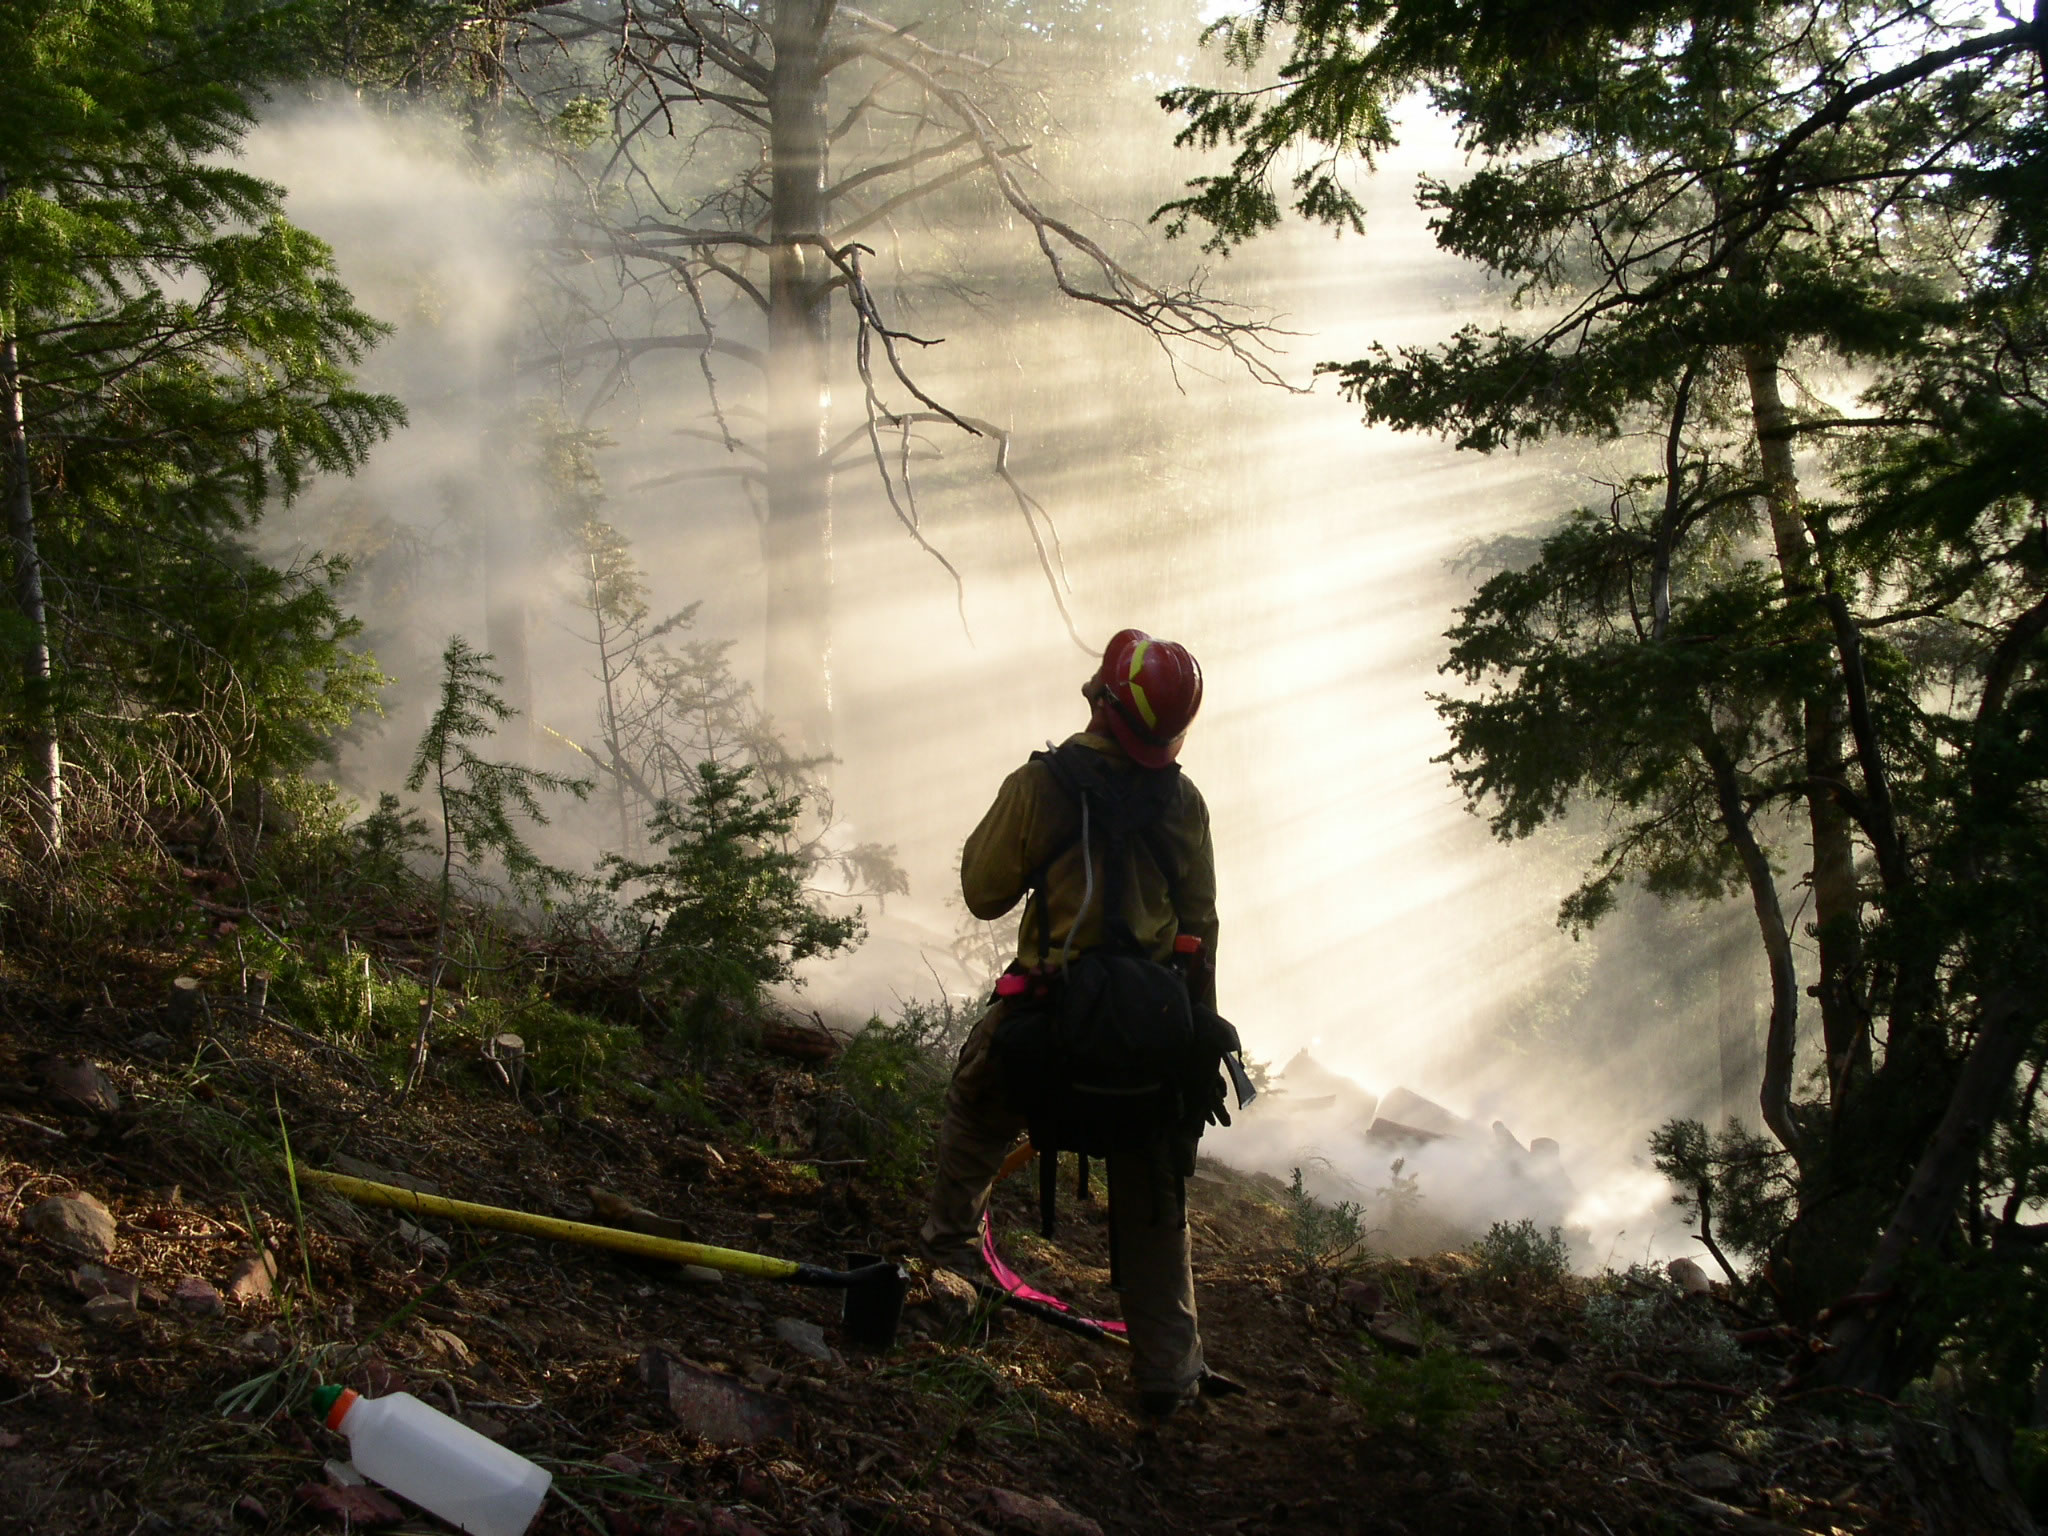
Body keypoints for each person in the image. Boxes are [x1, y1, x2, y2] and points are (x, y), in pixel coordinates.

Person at [920, 628, 1224, 1417]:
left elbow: (983, 891)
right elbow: (1201, 932)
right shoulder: (1184, 804)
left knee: (976, 1106)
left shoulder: (1041, 785)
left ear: (1099, 698)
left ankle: (950, 1267)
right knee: (1155, 1188)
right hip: (1147, 1045)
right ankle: (1169, 1366)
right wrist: (1193, 1046)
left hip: (1047, 1027)